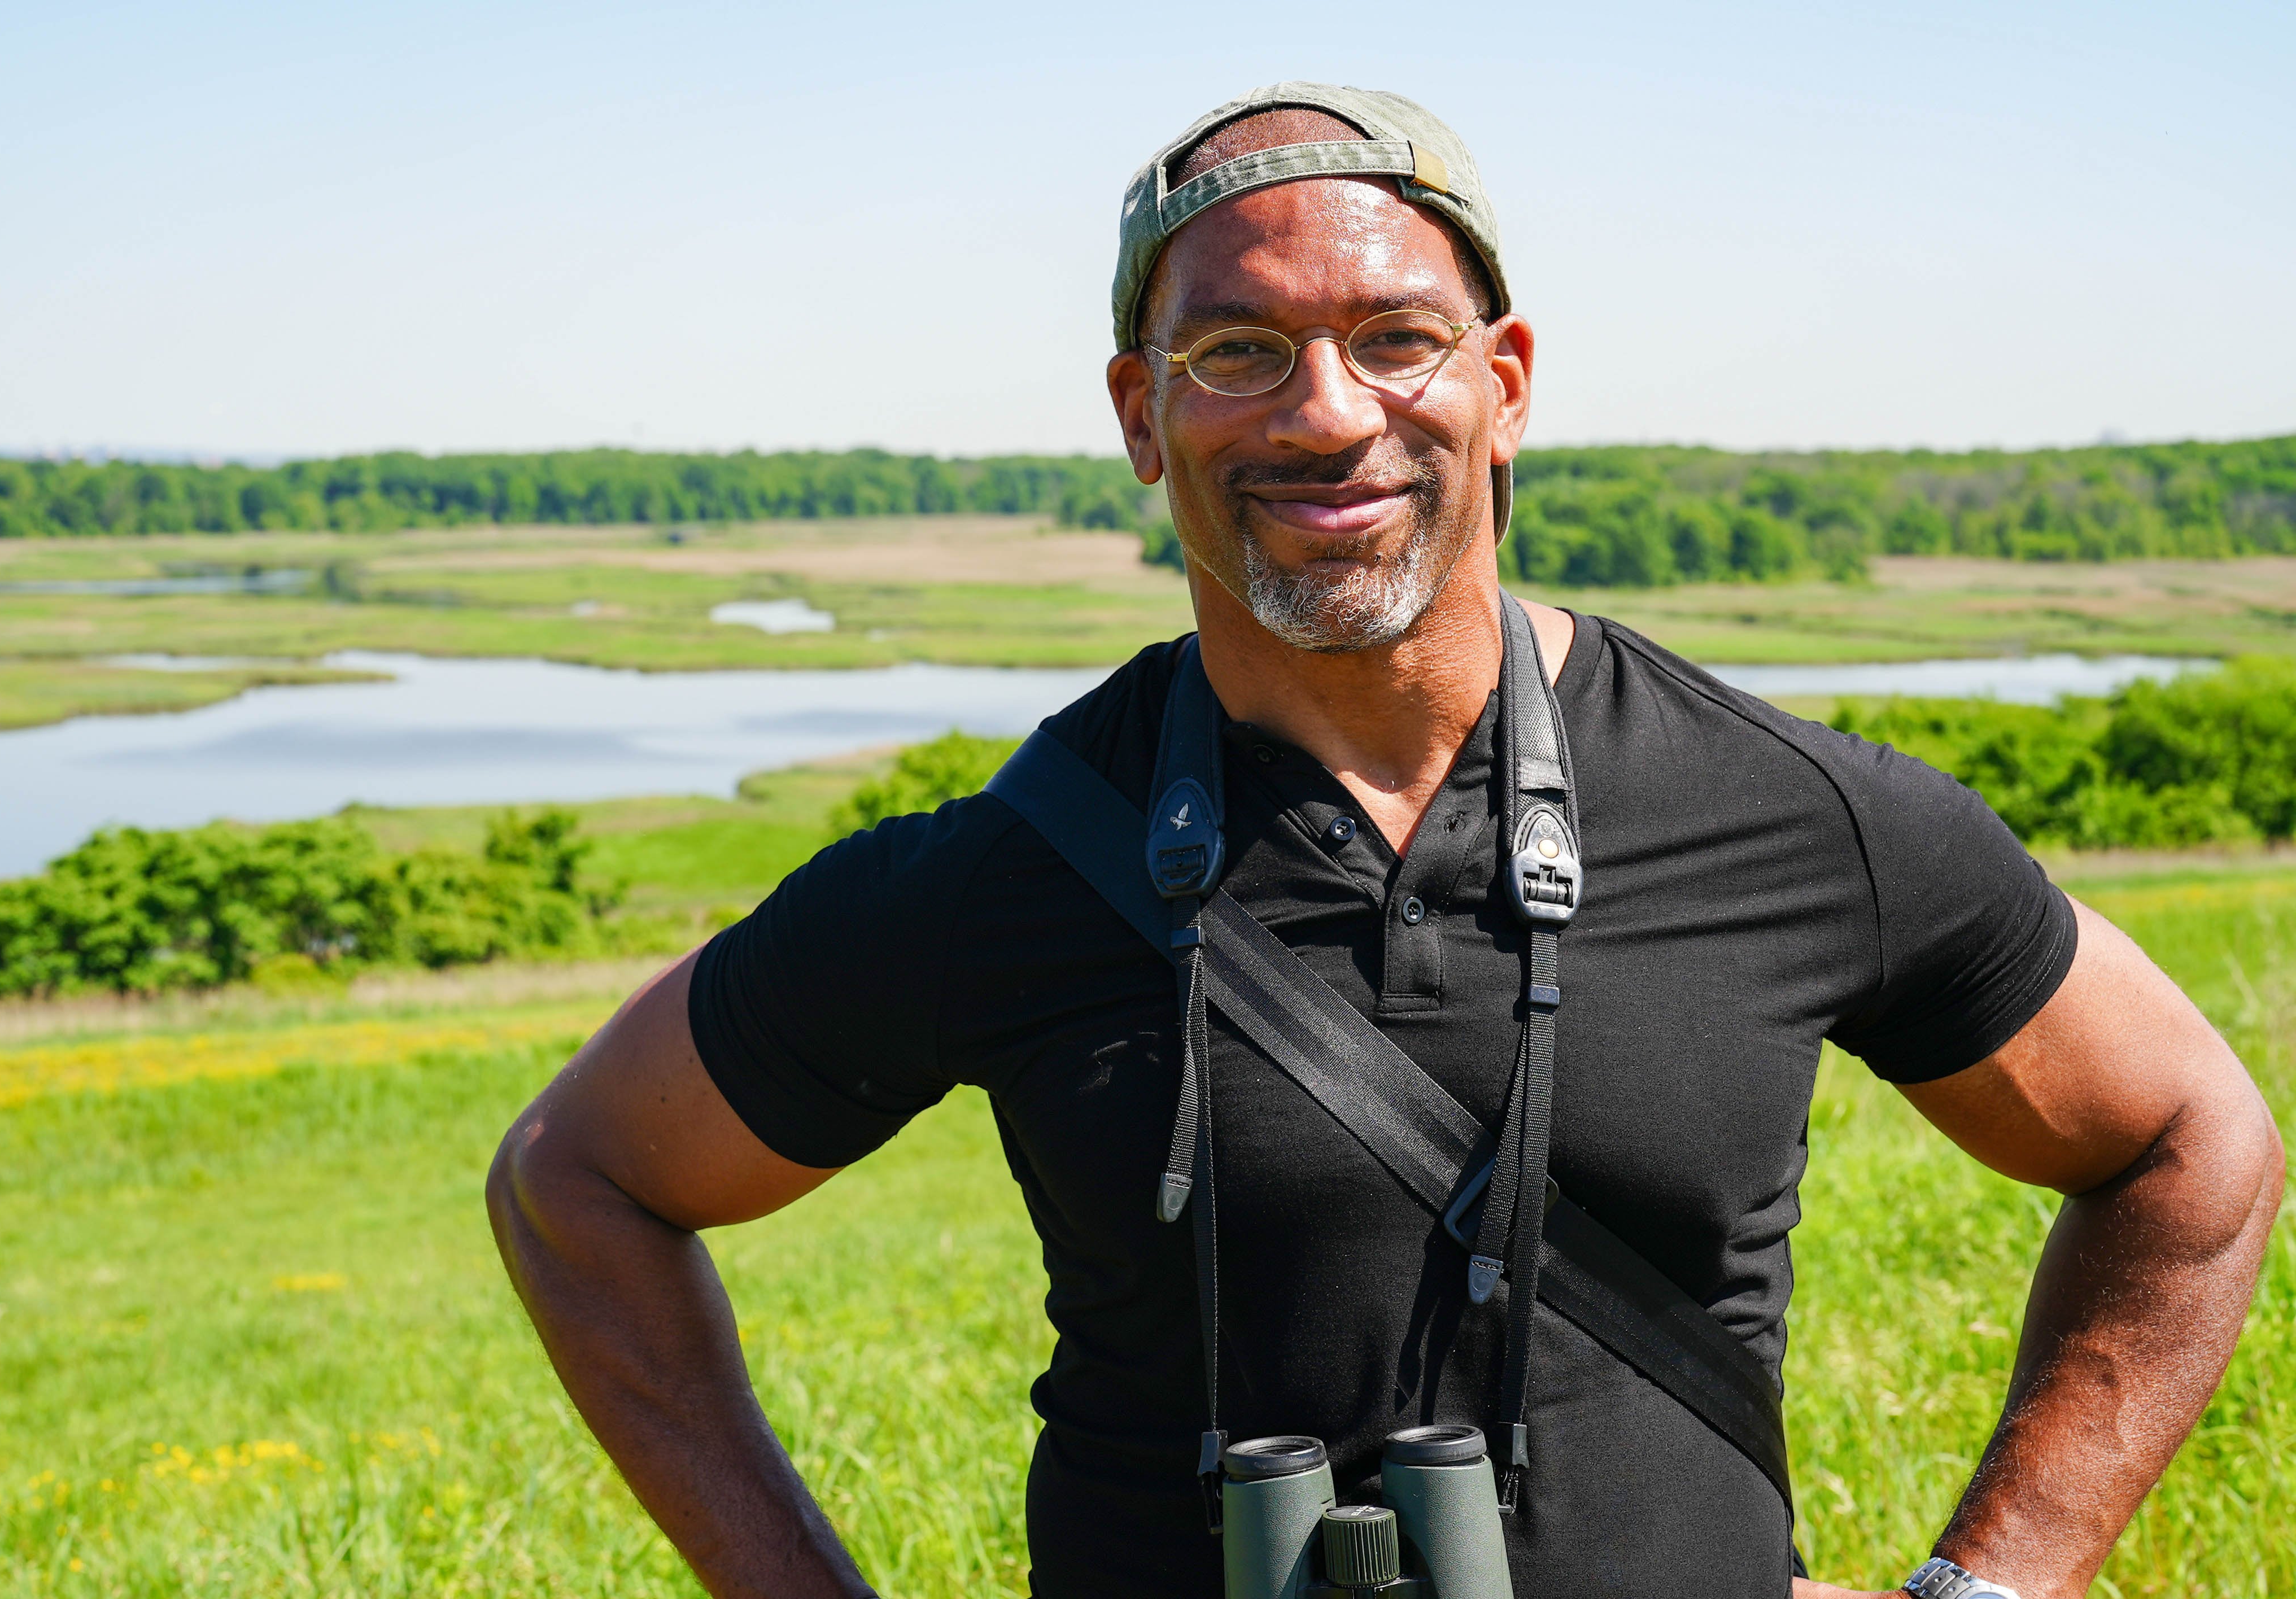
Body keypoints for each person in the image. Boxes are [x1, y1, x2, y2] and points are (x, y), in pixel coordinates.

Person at [487, 83, 2283, 1599]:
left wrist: (1989, 1587)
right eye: (1237, 352)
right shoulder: (1015, 868)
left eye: (1396, 340)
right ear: (1140, 416)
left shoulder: (1788, 815)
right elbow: (578, 1181)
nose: (1327, 412)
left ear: (1507, 383)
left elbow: (2189, 1141)